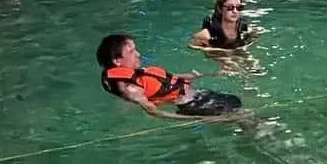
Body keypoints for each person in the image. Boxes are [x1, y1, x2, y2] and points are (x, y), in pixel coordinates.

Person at [96, 34, 243, 119]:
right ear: (117, 61)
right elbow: (154, 111)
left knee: (238, 106)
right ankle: (262, 134)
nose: (138, 54)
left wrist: (205, 74)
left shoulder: (135, 73)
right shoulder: (131, 89)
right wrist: (192, 118)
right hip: (191, 105)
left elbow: (166, 79)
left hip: (196, 96)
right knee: (242, 116)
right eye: (132, 52)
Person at [191, 0, 256, 52]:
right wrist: (213, 50)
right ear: (220, 9)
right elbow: (192, 45)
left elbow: (254, 35)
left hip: (236, 50)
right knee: (229, 62)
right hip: (218, 54)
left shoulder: (244, 29)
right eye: (230, 7)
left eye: (239, 7)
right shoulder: (207, 34)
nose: (235, 11)